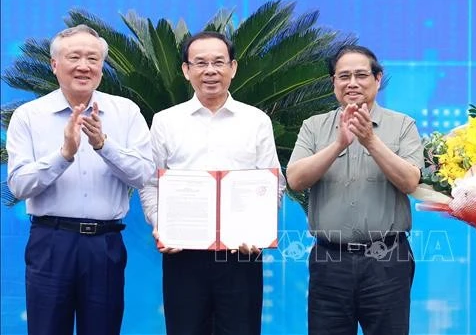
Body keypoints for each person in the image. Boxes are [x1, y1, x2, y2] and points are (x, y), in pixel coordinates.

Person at [6, 24, 154, 335]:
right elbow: (18, 185)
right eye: (74, 57)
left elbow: (143, 175)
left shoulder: (125, 112)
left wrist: (104, 145)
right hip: (50, 242)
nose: (84, 66)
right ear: (54, 64)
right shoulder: (29, 116)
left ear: (102, 66)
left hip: (105, 244)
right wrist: (63, 155)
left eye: (93, 58)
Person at [138, 31, 284, 335]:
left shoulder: (256, 120)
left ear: (233, 67)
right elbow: (150, 182)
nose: (210, 70)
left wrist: (258, 231)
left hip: (240, 254)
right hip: (183, 254)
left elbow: (273, 185)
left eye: (219, 62)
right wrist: (160, 224)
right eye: (200, 62)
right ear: (185, 70)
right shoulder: (166, 121)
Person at [286, 44, 424, 335]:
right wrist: (338, 144)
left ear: (377, 78)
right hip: (329, 261)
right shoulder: (314, 127)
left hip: (387, 259)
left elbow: (410, 181)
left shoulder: (402, 126)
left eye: (361, 75)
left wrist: (371, 141)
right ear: (333, 82)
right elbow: (295, 180)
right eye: (343, 76)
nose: (352, 83)